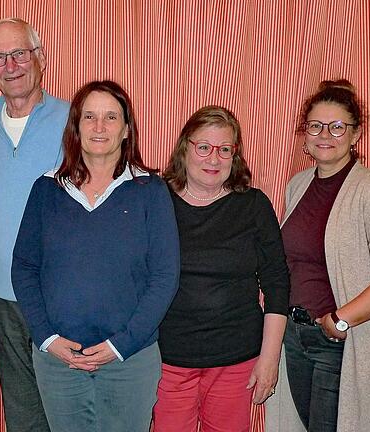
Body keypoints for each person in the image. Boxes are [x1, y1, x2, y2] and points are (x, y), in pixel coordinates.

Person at [11, 80, 180, 432]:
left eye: (110, 117)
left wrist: (122, 345)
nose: (99, 127)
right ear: (75, 127)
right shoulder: (46, 190)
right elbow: (24, 268)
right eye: (89, 117)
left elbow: (165, 276)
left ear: (126, 130)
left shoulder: (149, 191)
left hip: (129, 360)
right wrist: (47, 338)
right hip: (59, 361)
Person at [266, 79, 370, 432]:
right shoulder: (298, 184)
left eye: (337, 127)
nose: (325, 135)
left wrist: (341, 320)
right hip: (296, 335)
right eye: (315, 126)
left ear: (356, 135)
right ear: (304, 134)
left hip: (339, 343)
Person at [151, 106, 290, 432]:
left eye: (224, 150)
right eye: (204, 148)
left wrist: (269, 359)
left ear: (235, 156)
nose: (214, 159)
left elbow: (276, 282)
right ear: (185, 148)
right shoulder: (156, 200)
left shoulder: (253, 205)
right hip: (168, 360)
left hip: (236, 359)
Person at [0, 17, 69, 432]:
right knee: (21, 408)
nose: (11, 65)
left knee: (66, 403)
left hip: (60, 292)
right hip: (2, 293)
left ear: (40, 57)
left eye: (19, 53)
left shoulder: (75, 120)